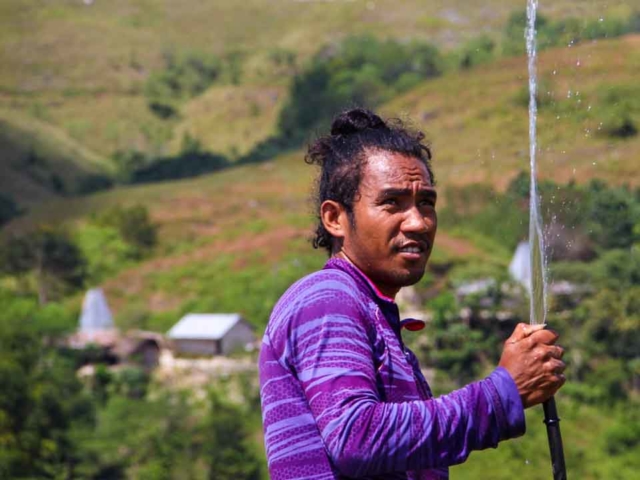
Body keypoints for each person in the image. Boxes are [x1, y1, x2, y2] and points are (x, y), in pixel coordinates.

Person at [259, 108, 566, 480]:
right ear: (335, 218)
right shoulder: (328, 299)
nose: (418, 222)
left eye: (427, 203)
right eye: (392, 202)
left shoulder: (373, 313)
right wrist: (501, 394)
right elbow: (358, 438)